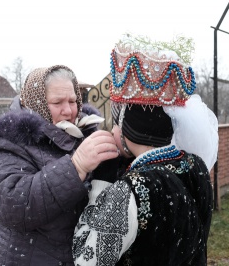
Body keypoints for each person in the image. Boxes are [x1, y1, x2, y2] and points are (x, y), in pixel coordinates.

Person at [73, 33, 219, 266]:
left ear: (127, 124)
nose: (112, 130)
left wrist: (101, 182)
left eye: (116, 121)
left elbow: (85, 259)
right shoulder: (195, 165)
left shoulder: (131, 189)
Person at [0, 65, 119, 266]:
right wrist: (76, 167)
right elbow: (9, 203)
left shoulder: (81, 134)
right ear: (37, 104)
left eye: (72, 101)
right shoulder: (9, 143)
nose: (68, 110)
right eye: (57, 102)